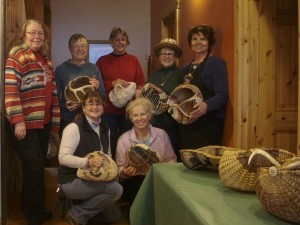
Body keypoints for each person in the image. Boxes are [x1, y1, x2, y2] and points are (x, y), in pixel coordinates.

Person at [4, 19, 60, 225]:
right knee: (33, 168)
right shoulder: (17, 55)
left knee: (38, 167)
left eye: (40, 33)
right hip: (24, 123)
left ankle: (36, 210)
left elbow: (51, 92)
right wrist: (18, 121)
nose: (37, 36)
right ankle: (32, 215)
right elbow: (10, 89)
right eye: (32, 33)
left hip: (42, 122)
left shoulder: (45, 59)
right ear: (24, 34)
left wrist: (53, 125)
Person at [57, 90, 123, 225]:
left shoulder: (105, 127)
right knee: (116, 190)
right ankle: (76, 214)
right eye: (90, 104)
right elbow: (63, 158)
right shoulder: (73, 128)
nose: (94, 107)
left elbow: (107, 155)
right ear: (83, 107)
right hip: (71, 180)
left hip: (94, 178)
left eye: (98, 103)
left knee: (113, 217)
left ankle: (79, 208)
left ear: (103, 107)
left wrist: (110, 172)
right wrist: (88, 162)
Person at [96, 27, 145, 159]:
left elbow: (140, 83)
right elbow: (95, 84)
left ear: (127, 42)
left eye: (123, 39)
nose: (120, 42)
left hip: (129, 111)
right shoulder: (102, 61)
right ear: (111, 42)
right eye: (116, 39)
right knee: (109, 142)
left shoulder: (133, 60)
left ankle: (127, 173)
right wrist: (112, 83)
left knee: (129, 142)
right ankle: (110, 171)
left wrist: (138, 92)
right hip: (108, 111)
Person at [115, 97, 177, 204]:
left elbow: (171, 159)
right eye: (135, 115)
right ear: (131, 118)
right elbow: (119, 169)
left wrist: (163, 169)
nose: (139, 118)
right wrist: (125, 172)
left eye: (143, 114)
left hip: (159, 178)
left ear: (149, 115)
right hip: (134, 181)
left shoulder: (162, 134)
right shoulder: (123, 139)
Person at [180, 24, 228, 149]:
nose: (198, 42)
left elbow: (222, 95)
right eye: (195, 39)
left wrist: (206, 106)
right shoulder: (186, 67)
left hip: (208, 124)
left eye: (203, 39)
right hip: (187, 124)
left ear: (209, 42)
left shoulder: (215, 63)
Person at [55, 33, 105, 137]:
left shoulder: (94, 69)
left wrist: (97, 87)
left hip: (90, 118)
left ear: (87, 48)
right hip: (68, 119)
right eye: (76, 46)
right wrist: (65, 106)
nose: (80, 49)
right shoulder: (61, 69)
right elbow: (55, 97)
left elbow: (103, 96)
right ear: (70, 48)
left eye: (83, 46)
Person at [145, 38, 183, 159]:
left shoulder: (181, 73)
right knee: (155, 155)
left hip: (173, 123)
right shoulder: (153, 75)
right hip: (154, 122)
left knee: (171, 155)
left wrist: (171, 105)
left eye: (170, 54)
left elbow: (185, 98)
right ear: (159, 56)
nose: (166, 56)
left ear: (175, 57)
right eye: (163, 54)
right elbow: (146, 96)